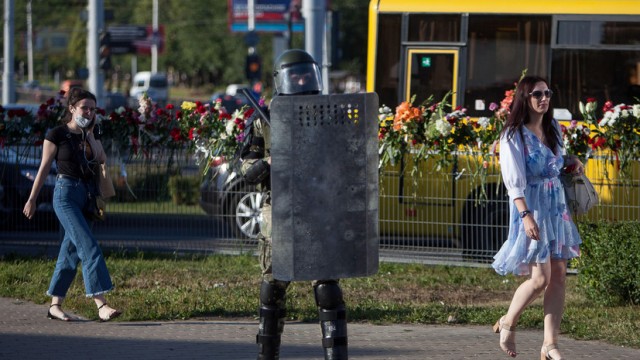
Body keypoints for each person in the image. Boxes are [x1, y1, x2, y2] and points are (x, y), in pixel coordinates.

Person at [241, 49, 348, 360]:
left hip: (321, 206)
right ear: (282, 80)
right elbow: (247, 168)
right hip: (280, 207)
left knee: (328, 287)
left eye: (306, 74)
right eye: (295, 75)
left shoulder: (330, 114)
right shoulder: (264, 121)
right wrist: (272, 161)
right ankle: (267, 354)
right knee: (272, 287)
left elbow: (348, 157)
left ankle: (336, 355)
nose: (301, 80)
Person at [491, 76, 583, 359]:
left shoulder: (553, 127)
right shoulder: (513, 136)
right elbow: (513, 183)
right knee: (540, 278)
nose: (544, 98)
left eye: (547, 93)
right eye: (537, 94)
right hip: (532, 209)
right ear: (524, 98)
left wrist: (572, 162)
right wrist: (526, 216)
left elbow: (554, 161)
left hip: (556, 208)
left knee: (559, 277)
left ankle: (550, 344)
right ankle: (508, 322)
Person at [23, 87, 121, 322]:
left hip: (86, 196)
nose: (88, 112)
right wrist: (32, 198)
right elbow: (44, 167)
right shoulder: (56, 134)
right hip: (65, 194)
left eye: (92, 109)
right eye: (84, 107)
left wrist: (90, 134)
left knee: (70, 252)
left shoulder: (91, 132)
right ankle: (101, 305)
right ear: (71, 108)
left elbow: (101, 158)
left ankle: (54, 305)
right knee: (89, 247)